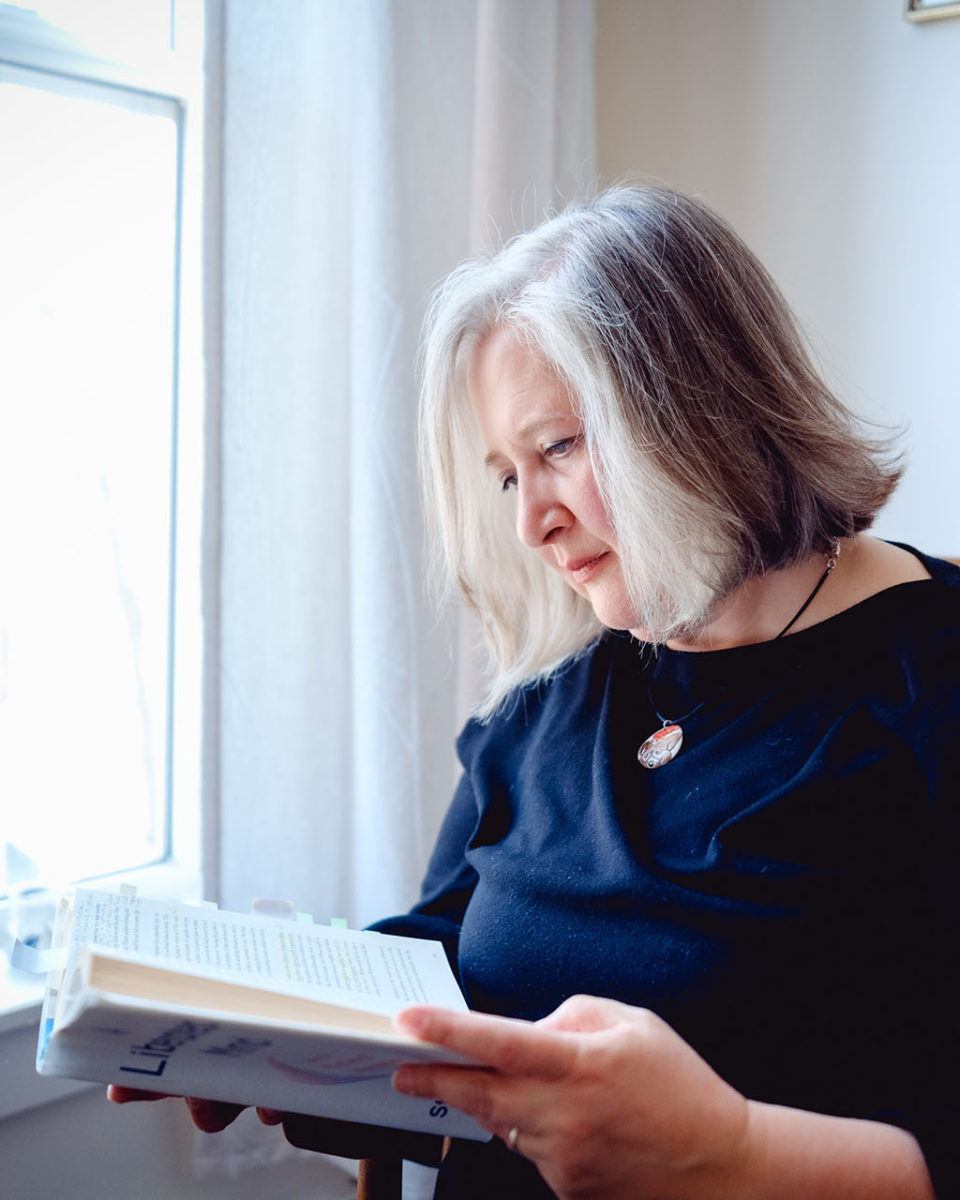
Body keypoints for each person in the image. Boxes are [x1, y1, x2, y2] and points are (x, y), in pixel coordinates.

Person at [109, 186, 958, 1198]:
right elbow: (454, 972)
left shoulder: (928, 692)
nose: (531, 525)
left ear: (705, 406)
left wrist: (732, 1153)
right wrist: (286, 1038)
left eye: (556, 447)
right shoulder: (553, 695)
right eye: (509, 475)